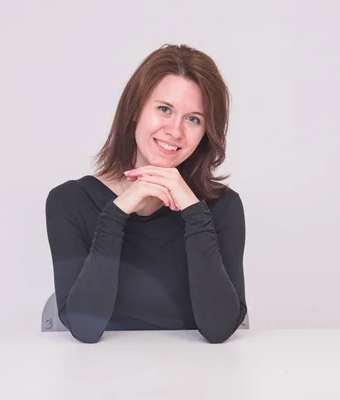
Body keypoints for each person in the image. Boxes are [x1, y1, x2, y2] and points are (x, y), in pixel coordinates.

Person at [45, 44, 247, 343]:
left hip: (197, 378)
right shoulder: (69, 202)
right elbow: (84, 328)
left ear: (206, 132)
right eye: (164, 109)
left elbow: (218, 329)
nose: (175, 131)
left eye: (194, 119)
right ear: (134, 111)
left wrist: (194, 213)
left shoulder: (222, 207)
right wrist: (115, 214)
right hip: (101, 378)